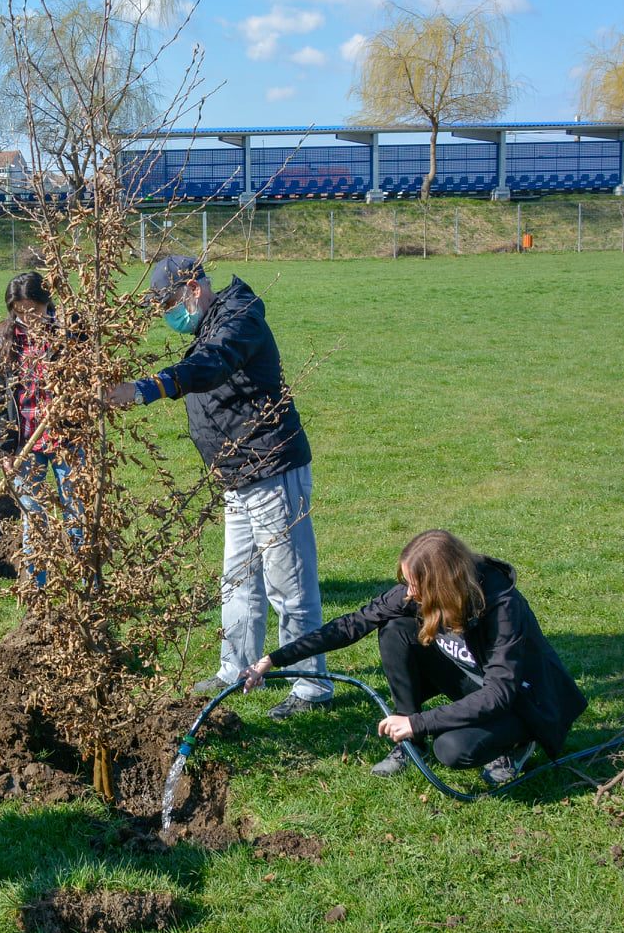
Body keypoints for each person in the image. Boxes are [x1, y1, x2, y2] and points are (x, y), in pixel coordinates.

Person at [108, 255, 331, 720]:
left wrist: (149, 388)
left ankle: (310, 683)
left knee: (287, 582)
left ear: (193, 288)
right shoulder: (208, 325)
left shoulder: (238, 319)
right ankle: (235, 668)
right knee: (237, 581)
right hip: (236, 475)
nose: (169, 313)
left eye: (170, 302)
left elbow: (212, 367)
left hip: (269, 466)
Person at [240, 529, 588, 788]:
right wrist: (274, 659)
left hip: (522, 703)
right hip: (473, 686)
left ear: (442, 584)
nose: (408, 592)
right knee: (394, 628)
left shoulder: (502, 608)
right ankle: (410, 747)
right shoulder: (421, 593)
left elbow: (500, 694)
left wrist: (421, 721)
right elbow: (352, 624)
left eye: (413, 584)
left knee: (452, 750)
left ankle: (516, 743)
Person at [0, 272, 81, 585]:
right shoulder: (5, 338)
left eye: (34, 310)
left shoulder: (70, 331)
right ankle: (36, 590)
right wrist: (4, 449)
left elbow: (89, 377)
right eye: (19, 310)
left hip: (67, 438)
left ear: (47, 303)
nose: (27, 317)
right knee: (33, 518)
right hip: (25, 443)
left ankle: (87, 587)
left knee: (77, 514)